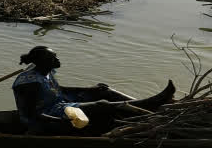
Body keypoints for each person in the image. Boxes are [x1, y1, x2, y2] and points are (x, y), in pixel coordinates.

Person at [12, 46, 175, 135]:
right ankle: (148, 105)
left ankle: (143, 105)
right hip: (47, 115)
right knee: (101, 104)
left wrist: (90, 89)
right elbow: (32, 114)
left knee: (102, 90)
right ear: (43, 62)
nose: (57, 60)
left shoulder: (43, 70)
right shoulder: (29, 84)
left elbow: (56, 90)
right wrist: (60, 122)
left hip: (59, 103)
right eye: (53, 58)